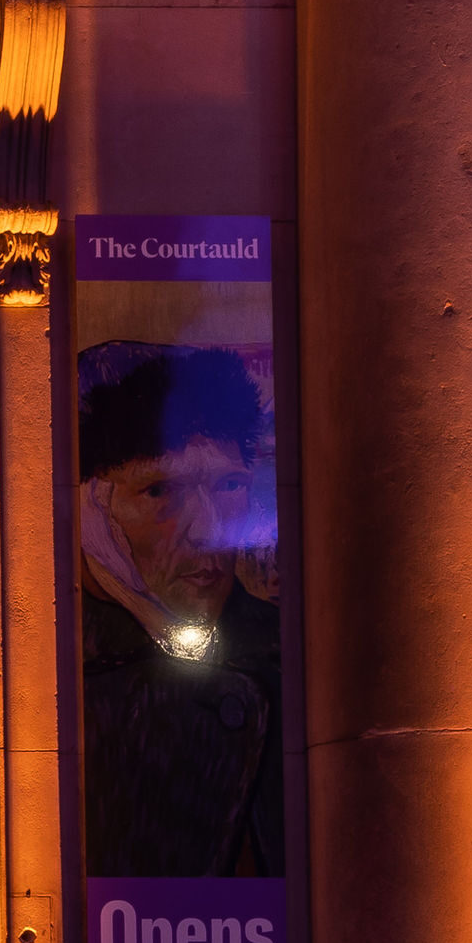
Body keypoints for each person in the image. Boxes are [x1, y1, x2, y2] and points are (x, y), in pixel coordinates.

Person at [79, 346, 282, 877]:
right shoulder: (46, 676)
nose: (207, 529)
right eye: (161, 490)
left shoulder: (291, 656)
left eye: (230, 485)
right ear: (89, 509)